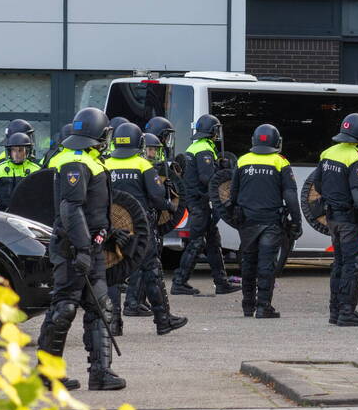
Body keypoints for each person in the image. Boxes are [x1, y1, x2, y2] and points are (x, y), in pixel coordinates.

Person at [38, 107, 125, 391]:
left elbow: (93, 209)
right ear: (98, 134)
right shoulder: (76, 162)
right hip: (73, 248)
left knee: (101, 308)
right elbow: (71, 208)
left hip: (90, 246)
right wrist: (83, 249)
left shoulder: (89, 159)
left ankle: (101, 373)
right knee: (64, 308)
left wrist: (108, 235)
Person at [104, 123, 188, 337]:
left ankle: (113, 323)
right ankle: (163, 320)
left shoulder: (104, 165)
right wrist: (170, 204)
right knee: (152, 271)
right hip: (141, 227)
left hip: (113, 228)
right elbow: (158, 198)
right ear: (138, 143)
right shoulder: (143, 165)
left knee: (112, 274)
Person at [226, 124, 302, 319]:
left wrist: (233, 213)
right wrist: (297, 221)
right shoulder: (280, 162)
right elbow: (290, 195)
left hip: (247, 222)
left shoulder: (243, 161)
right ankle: (263, 307)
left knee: (248, 262)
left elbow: (232, 193)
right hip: (271, 222)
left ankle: (247, 306)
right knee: (266, 264)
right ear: (276, 142)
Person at [316, 113, 358, 326]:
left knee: (339, 263)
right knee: (352, 264)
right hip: (348, 220)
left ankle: (334, 311)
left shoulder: (328, 153)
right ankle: (347, 312)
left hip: (332, 218)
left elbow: (317, 185)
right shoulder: (357, 158)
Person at [171, 115, 237, 296]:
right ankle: (179, 282)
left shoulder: (196, 146)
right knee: (197, 242)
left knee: (213, 242)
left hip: (197, 200)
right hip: (199, 201)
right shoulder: (204, 150)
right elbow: (207, 178)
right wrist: (222, 170)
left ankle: (222, 282)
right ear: (212, 131)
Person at [0, 132, 41, 211]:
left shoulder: (36, 170)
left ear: (27, 151)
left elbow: (41, 197)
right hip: (4, 214)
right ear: (9, 152)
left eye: (20, 150)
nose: (17, 154)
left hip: (28, 216)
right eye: (13, 150)